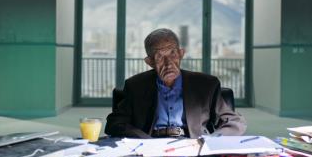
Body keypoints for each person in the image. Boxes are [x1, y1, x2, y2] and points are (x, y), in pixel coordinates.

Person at [105, 28, 246, 138]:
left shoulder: (207, 85)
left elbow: (235, 122)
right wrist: (143, 139)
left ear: (181, 54)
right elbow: (115, 123)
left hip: (192, 144)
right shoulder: (135, 85)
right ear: (150, 62)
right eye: (160, 57)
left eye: (172, 53)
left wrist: (211, 141)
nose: (168, 63)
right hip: (150, 145)